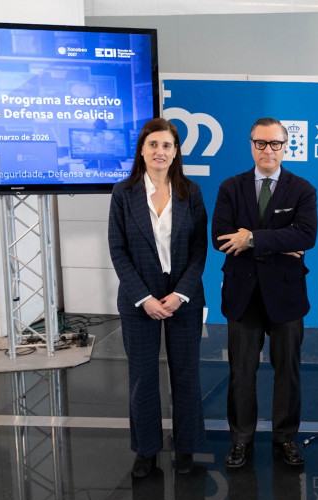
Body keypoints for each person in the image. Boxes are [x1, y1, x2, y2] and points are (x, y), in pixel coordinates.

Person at [212, 117, 318, 468]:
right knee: (241, 372)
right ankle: (240, 439)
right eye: (260, 143)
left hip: (286, 295)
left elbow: (305, 237)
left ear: (286, 147)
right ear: (251, 145)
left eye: (275, 144)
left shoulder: (302, 189)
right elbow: (221, 238)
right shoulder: (231, 187)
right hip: (243, 295)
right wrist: (277, 242)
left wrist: (253, 238)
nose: (267, 150)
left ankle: (285, 438)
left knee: (288, 370)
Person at [107, 118, 208, 478]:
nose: (159, 152)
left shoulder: (191, 193)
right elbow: (117, 251)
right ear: (141, 150)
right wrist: (144, 298)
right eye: (153, 145)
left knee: (186, 374)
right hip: (140, 301)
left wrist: (181, 294)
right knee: (142, 377)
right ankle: (146, 450)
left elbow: (199, 252)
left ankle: (185, 448)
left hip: (183, 298)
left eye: (166, 145)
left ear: (176, 151)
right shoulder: (123, 193)